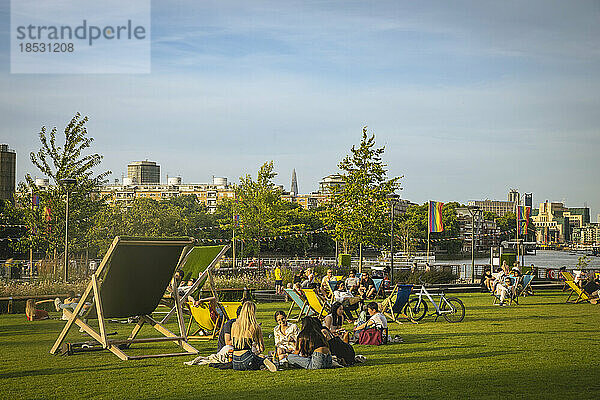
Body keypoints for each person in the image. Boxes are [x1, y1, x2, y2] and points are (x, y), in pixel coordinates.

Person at [231, 301, 277, 372]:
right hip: (247, 358)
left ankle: (260, 363)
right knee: (260, 358)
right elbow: (262, 348)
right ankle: (263, 362)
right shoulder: (255, 327)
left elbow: (232, 342)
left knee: (255, 358)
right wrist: (256, 353)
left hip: (235, 361)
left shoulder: (234, 325)